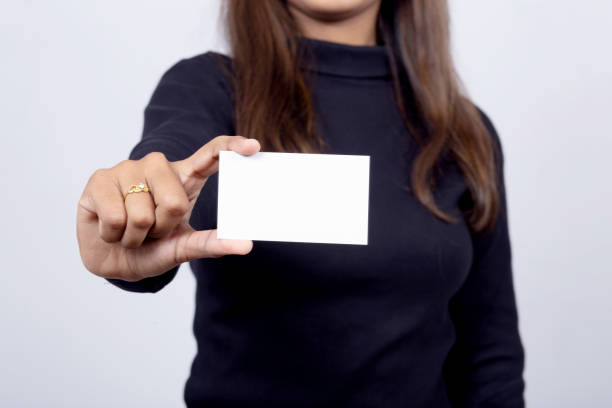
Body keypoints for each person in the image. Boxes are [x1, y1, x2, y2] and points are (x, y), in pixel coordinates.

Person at [76, 0, 525, 406]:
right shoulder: (210, 87)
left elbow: (489, 354)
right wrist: (136, 208)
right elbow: (169, 160)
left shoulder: (465, 131)